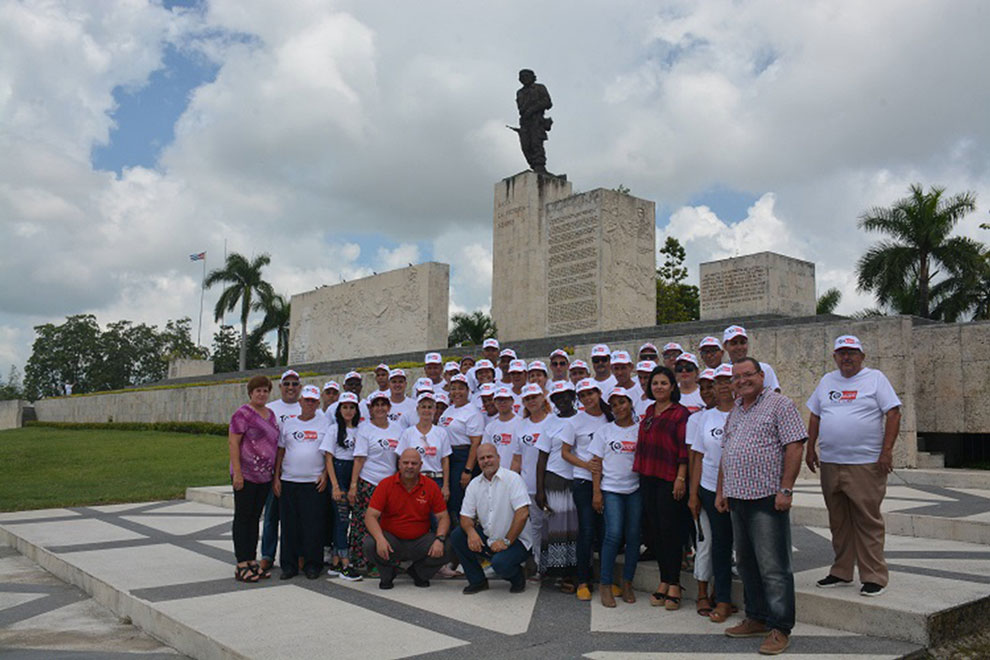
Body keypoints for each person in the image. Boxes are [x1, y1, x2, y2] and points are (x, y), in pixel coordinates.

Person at [716, 358, 807, 655]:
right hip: (738, 497)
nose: (742, 381)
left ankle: (780, 627)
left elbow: (794, 444)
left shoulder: (779, 404)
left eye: (748, 375)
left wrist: (786, 488)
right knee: (746, 563)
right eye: (736, 377)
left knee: (774, 567)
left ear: (761, 375)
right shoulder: (736, 411)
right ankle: (756, 616)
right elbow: (727, 451)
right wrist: (723, 489)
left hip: (767, 497)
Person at [806, 335, 902, 597]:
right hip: (831, 462)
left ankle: (874, 576)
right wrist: (810, 447)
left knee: (867, 520)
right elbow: (815, 414)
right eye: (841, 353)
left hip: (865, 463)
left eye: (852, 352)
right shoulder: (827, 380)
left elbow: (893, 413)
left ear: (862, 356)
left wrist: (886, 452)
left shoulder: (875, 379)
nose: (846, 357)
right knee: (838, 520)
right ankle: (841, 571)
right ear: (835, 357)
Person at [635, 365, 690, 610]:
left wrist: (680, 478)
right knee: (656, 531)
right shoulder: (649, 411)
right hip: (648, 477)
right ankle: (663, 579)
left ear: (672, 387)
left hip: (670, 479)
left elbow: (683, 449)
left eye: (663, 383)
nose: (658, 387)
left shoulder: (680, 413)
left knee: (671, 532)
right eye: (655, 383)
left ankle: (675, 583)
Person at [363, 449, 453, 589]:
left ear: (421, 465)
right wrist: (380, 539)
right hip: (392, 541)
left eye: (414, 463)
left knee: (449, 546)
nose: (410, 466)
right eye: (406, 463)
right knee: (370, 544)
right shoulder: (386, 484)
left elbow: (443, 516)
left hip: (420, 541)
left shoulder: (430, 486)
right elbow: (370, 516)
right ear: (399, 464)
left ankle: (419, 573)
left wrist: (439, 539)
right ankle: (388, 573)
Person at [688, 364, 735, 623]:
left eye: (728, 380)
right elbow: (697, 457)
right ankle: (715, 596)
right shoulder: (705, 417)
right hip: (707, 489)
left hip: (737, 489)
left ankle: (724, 594)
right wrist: (693, 495)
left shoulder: (743, 413)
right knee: (714, 544)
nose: (723, 386)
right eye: (718, 382)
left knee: (731, 544)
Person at [451, 443, 531, 594]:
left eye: (489, 457)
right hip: (490, 538)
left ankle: (518, 577)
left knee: (500, 564)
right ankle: (478, 581)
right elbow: (465, 516)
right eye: (482, 458)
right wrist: (471, 532)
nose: (486, 461)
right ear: (478, 462)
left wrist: (506, 541)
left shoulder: (513, 479)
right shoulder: (474, 484)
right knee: (458, 536)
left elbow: (523, 514)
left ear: (498, 458)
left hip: (516, 541)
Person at [591, 387, 642, 607]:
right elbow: (596, 464)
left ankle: (627, 582)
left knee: (633, 537)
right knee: (613, 534)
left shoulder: (641, 430)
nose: (619, 408)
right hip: (611, 489)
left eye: (622, 402)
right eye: (614, 405)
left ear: (630, 403)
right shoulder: (605, 431)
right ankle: (605, 584)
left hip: (635, 489)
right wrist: (596, 492)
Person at [273, 385, 329, 580]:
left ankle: (313, 564)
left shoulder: (324, 424)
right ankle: (289, 565)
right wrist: (276, 478)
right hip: (289, 480)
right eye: (306, 400)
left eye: (313, 401)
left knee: (313, 526)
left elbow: (329, 453)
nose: (309, 404)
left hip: (313, 482)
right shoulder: (289, 424)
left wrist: (325, 474)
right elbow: (280, 451)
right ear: (300, 402)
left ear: (318, 403)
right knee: (289, 526)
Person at [228, 375, 279, 582]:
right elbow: (233, 443)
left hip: (264, 476)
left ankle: (251, 560)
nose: (262, 394)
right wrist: (238, 473)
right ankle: (241, 563)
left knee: (254, 518)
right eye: (258, 390)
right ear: (251, 393)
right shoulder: (243, 414)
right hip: (246, 475)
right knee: (243, 517)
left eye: (265, 390)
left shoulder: (271, 414)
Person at [564, 378, 610, 601]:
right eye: (582, 396)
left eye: (590, 393)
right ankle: (583, 580)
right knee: (587, 530)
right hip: (583, 481)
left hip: (608, 481)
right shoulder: (576, 421)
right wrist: (586, 465)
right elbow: (566, 452)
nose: (587, 398)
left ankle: (605, 580)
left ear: (599, 393)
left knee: (605, 532)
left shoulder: (609, 416)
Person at [348, 391, 400, 574]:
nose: (380, 408)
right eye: (376, 405)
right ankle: (361, 561)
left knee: (387, 524)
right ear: (370, 409)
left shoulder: (397, 428)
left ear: (389, 407)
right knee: (363, 523)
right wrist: (353, 486)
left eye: (383, 404)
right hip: (369, 482)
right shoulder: (365, 429)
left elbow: (399, 458)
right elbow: (359, 459)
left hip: (390, 484)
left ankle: (386, 560)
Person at [536, 380, 579, 592]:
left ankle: (577, 572)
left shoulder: (583, 419)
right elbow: (541, 458)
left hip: (580, 480)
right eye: (557, 397)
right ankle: (558, 574)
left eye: (566, 396)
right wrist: (540, 489)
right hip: (555, 479)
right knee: (558, 530)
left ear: (573, 396)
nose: (562, 400)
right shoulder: (549, 423)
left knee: (577, 529)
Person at [260, 370, 302, 575]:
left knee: (296, 518)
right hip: (273, 470)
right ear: (280, 387)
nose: (291, 388)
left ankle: (297, 555)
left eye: (295, 384)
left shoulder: (307, 407)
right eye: (287, 384)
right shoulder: (270, 409)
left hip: (297, 473)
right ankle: (267, 555)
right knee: (271, 516)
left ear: (300, 387)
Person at [321, 391, 363, 581]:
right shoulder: (333, 429)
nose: (348, 411)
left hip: (353, 472)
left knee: (347, 519)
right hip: (338, 472)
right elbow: (328, 458)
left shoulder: (361, 429)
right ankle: (346, 563)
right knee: (342, 519)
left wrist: (354, 483)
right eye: (345, 407)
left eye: (351, 407)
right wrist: (336, 486)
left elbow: (360, 457)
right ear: (339, 410)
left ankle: (337, 561)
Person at [515, 383, 555, 575]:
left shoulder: (554, 421)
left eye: (534, 397)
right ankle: (541, 565)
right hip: (528, 485)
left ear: (542, 398)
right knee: (536, 527)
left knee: (555, 528)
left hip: (552, 485)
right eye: (527, 398)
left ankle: (557, 567)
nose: (532, 401)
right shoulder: (520, 425)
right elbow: (517, 459)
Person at [439, 374, 485, 533]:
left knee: (461, 502)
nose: (456, 392)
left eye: (460, 388)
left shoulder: (473, 412)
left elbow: (475, 443)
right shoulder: (448, 410)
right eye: (453, 388)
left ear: (468, 390)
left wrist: (468, 470)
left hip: (463, 457)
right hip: (447, 457)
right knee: (449, 501)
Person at [396, 393, 452, 500]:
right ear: (417, 409)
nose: (426, 410)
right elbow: (401, 459)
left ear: (434, 410)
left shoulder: (441, 432)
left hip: (436, 479)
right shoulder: (408, 433)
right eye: (423, 407)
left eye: (430, 407)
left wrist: (445, 486)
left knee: (436, 515)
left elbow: (445, 460)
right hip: (413, 480)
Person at [515, 68, 553, 173]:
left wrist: (533, 109)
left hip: (537, 120)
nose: (525, 79)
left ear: (533, 77)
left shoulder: (540, 88)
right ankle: (533, 165)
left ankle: (540, 166)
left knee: (536, 143)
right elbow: (520, 108)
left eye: (527, 76)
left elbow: (548, 103)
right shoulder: (520, 92)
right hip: (525, 122)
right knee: (526, 146)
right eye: (522, 77)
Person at [723, 325, 781, 391]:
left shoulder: (764, 369)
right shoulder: (722, 372)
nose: (739, 347)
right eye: (734, 343)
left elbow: (775, 395)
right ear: (725, 346)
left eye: (742, 342)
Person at [483, 387, 522, 473]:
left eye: (505, 400)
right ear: (495, 403)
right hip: (496, 474)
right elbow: (486, 452)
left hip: (517, 474)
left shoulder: (522, 423)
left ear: (512, 401)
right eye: (499, 400)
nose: (502, 403)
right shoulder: (490, 427)